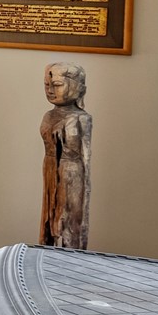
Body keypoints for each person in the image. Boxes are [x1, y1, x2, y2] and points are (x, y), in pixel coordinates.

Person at [39, 62, 91, 250]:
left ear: (77, 88)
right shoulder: (48, 116)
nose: (50, 90)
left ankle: (70, 257)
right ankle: (46, 253)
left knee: (68, 220)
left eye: (57, 85)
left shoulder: (81, 118)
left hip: (72, 172)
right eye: (46, 85)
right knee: (49, 217)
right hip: (50, 167)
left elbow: (85, 158)